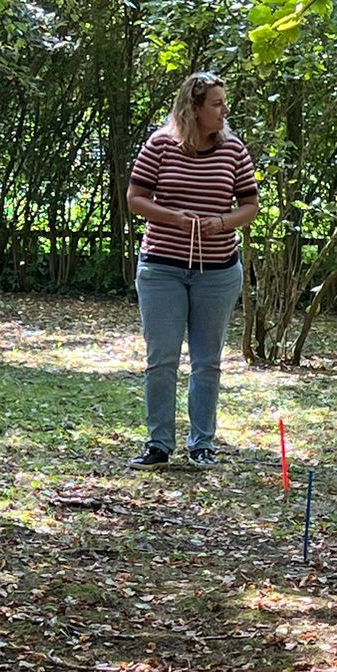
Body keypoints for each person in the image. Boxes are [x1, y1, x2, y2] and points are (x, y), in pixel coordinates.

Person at [125, 72, 261, 469]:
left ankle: (202, 444)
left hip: (217, 271)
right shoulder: (160, 145)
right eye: (216, 104)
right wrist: (174, 217)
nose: (225, 110)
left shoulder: (234, 149)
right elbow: (135, 198)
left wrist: (222, 223)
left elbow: (249, 204)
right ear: (194, 108)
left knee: (207, 361)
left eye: (224, 102)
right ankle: (158, 444)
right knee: (161, 359)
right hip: (162, 268)